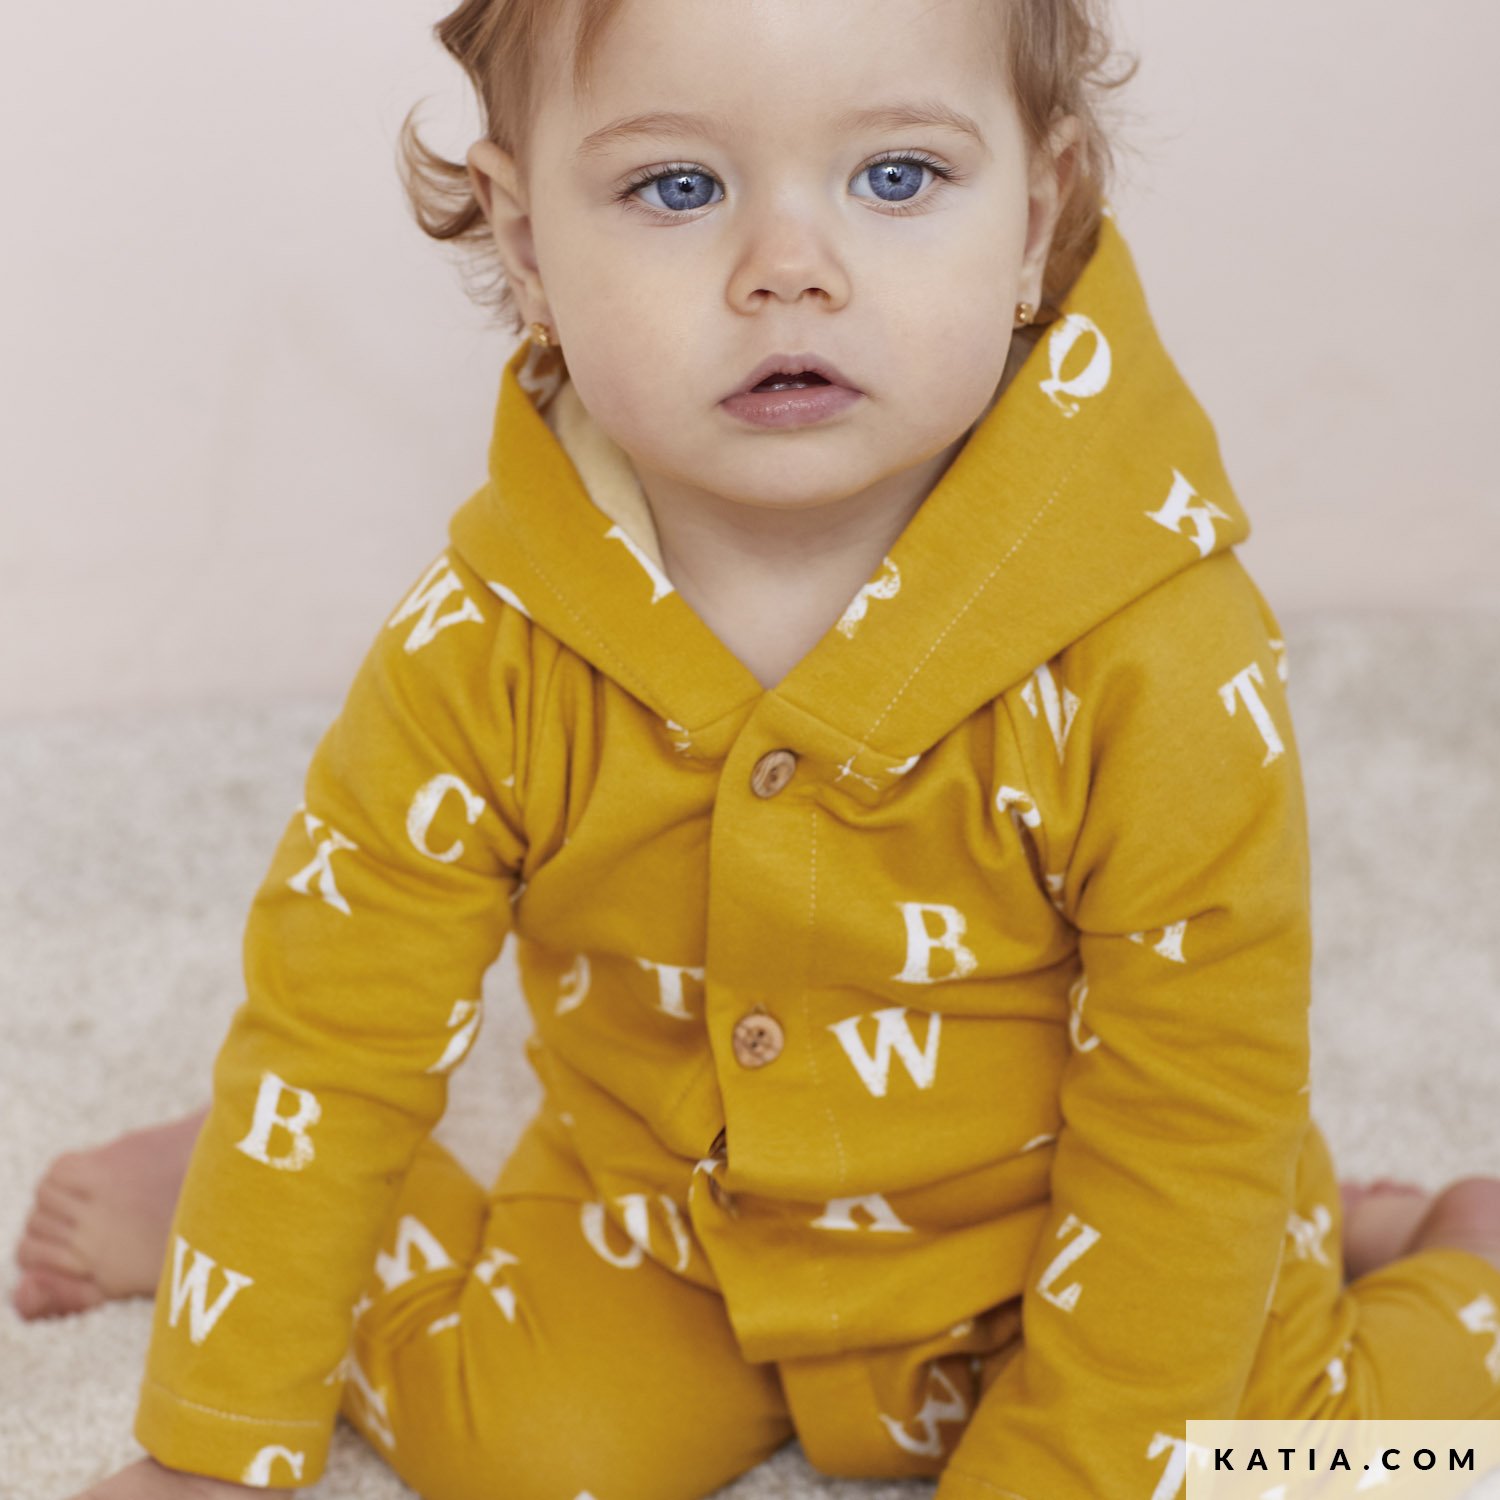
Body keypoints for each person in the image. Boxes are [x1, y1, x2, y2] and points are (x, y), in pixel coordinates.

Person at [14, 0, 1500, 1496]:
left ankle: (1453, 1264)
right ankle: (252, 1207)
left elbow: (1196, 1108)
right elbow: (336, 1035)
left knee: (1343, 1464)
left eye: (898, 177)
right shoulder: (487, 645)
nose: (789, 267)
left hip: (1098, 1231)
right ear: (527, 244)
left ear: (1037, 218)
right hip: (679, 1233)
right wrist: (212, 1444)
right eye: (679, 187)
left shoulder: (1159, 650)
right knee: (514, 1449)